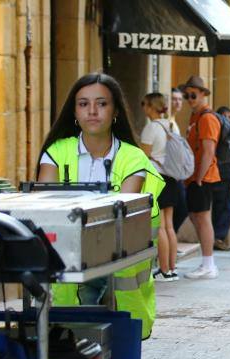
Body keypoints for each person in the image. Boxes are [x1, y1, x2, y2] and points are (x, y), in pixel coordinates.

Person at [37, 73, 165, 339]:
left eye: (101, 104)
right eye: (83, 104)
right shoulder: (56, 151)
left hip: (114, 276)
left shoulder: (133, 158)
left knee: (109, 353)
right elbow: (45, 208)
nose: (92, 111)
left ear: (115, 110)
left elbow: (120, 219)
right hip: (69, 270)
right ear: (74, 111)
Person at [182, 76, 221, 279]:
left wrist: (198, 178)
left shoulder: (207, 118)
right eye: (187, 95)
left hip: (203, 177)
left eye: (193, 95)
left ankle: (209, 264)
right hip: (195, 177)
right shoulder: (195, 116)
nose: (189, 99)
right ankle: (207, 263)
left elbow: (208, 151)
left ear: (203, 94)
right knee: (196, 217)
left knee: (203, 218)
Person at [139, 92, 179, 282]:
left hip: (156, 178)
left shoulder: (151, 129)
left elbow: (143, 157)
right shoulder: (172, 125)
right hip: (171, 178)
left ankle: (163, 270)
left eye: (144, 104)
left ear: (150, 106)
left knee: (161, 227)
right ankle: (171, 268)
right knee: (169, 226)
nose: (143, 108)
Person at [212, 106, 230, 251]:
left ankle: (217, 237)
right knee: (224, 207)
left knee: (224, 206)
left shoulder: (227, 132)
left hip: (227, 173)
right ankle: (217, 237)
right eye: (225, 116)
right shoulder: (222, 130)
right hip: (221, 173)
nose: (228, 120)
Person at [169, 87, 188, 232]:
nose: (177, 102)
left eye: (180, 99)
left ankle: (170, 241)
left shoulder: (174, 121)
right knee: (181, 208)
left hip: (177, 171)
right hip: (170, 173)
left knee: (181, 208)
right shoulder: (167, 121)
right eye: (174, 99)